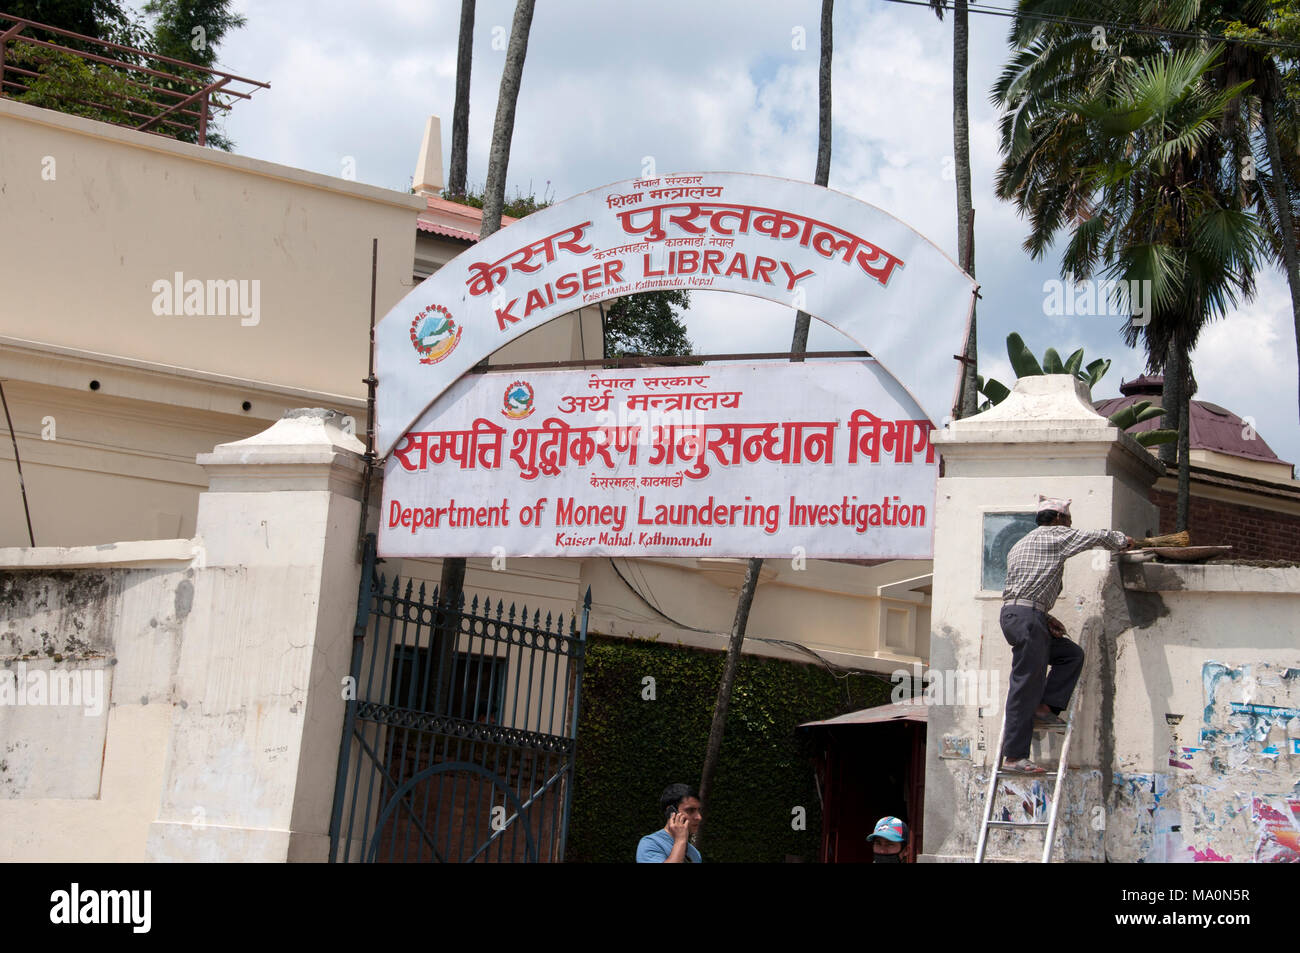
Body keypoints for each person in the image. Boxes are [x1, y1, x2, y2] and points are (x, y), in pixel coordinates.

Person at [999, 497, 1133, 774]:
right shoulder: (1055, 535)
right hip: (1027, 618)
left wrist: (1044, 617)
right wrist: (1122, 540)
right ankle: (1014, 757)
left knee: (1070, 654)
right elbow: (1093, 537)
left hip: (1020, 616)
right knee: (1025, 686)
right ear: (1059, 519)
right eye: (1069, 520)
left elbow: (1023, 589)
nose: (1071, 526)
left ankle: (1045, 707)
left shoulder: (1021, 544)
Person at [635, 783, 703, 863]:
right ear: (671, 812)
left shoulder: (695, 853)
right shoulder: (650, 844)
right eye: (690, 810)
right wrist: (680, 840)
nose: (698, 817)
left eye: (698, 810)